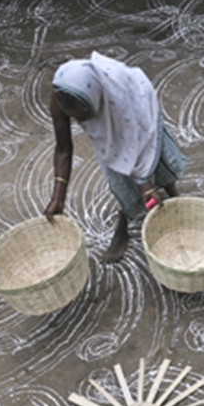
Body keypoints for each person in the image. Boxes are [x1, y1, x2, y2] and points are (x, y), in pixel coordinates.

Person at [44, 52, 187, 262]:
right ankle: (122, 229)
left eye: (83, 116)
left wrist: (145, 186)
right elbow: (64, 148)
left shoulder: (117, 95)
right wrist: (58, 197)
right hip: (114, 118)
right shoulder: (61, 96)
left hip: (138, 110)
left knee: (154, 154)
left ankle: (170, 190)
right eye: (75, 117)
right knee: (119, 176)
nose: (82, 123)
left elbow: (134, 143)